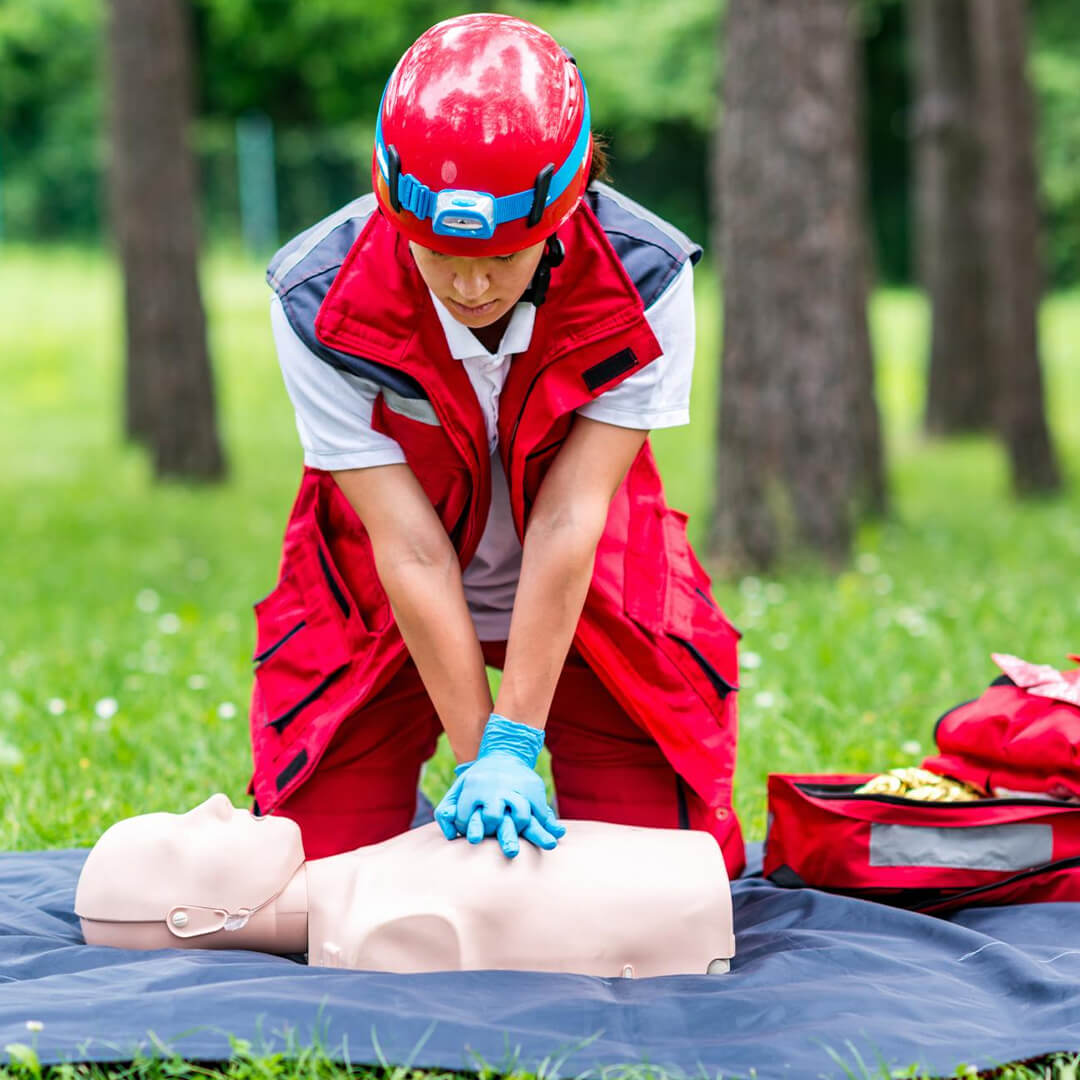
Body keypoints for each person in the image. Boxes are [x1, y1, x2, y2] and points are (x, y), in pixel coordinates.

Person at [250, 13, 745, 874]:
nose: (471, 284)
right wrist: (482, 759)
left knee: (666, 884)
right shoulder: (313, 298)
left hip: (595, 595)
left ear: (563, 210)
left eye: (505, 256)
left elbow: (569, 520)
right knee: (313, 880)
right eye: (439, 254)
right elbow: (406, 547)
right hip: (378, 603)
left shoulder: (648, 276)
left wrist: (514, 741)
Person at [75, 794, 735, 977]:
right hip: (691, 907)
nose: (214, 801)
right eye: (182, 835)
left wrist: (502, 745)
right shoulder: (390, 928)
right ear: (190, 918)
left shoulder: (371, 883)